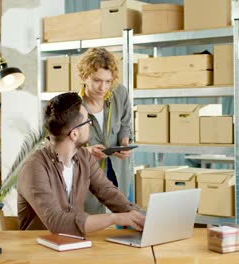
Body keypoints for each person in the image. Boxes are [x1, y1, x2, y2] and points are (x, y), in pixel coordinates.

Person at [17, 92, 145, 236]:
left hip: (74, 246)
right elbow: (57, 222)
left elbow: (107, 192)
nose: (90, 124)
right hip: (38, 252)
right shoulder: (34, 167)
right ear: (74, 134)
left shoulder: (84, 157)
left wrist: (142, 217)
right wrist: (114, 218)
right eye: (87, 121)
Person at [77, 48, 133, 215]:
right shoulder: (73, 106)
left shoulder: (120, 93)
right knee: (95, 228)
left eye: (108, 81)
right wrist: (86, 151)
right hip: (89, 181)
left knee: (124, 223)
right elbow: (59, 146)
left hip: (118, 173)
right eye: (97, 80)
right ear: (84, 77)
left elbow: (125, 124)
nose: (103, 87)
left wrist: (124, 142)